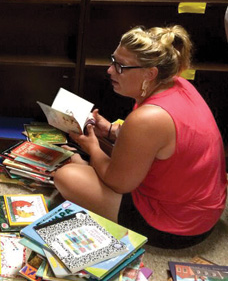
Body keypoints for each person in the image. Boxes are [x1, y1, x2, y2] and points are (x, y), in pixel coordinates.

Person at [54, 25, 227, 249]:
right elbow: (158, 141)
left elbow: (119, 183)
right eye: (112, 60)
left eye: (121, 66)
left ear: (150, 74)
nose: (110, 70)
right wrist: (108, 129)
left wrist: (92, 147)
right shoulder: (178, 85)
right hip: (203, 211)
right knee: (87, 163)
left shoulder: (148, 118)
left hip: (176, 227)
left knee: (66, 175)